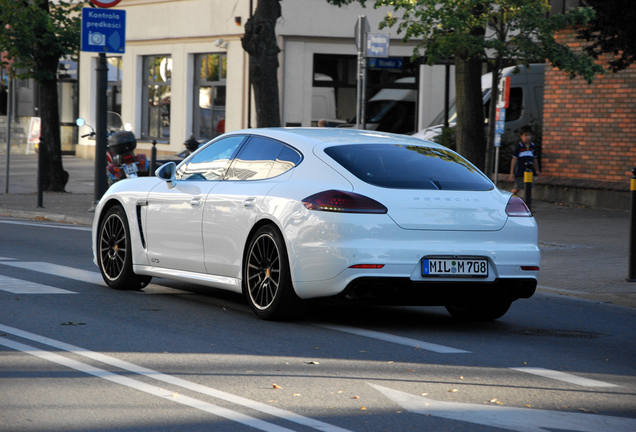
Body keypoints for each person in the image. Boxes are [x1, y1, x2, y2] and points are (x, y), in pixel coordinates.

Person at [509, 125, 541, 195]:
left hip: (529, 172)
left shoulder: (533, 146)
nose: (528, 137)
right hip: (520, 171)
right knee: (517, 188)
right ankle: (508, 199)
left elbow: (534, 159)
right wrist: (512, 173)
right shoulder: (519, 147)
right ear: (521, 136)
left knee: (528, 187)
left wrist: (537, 171)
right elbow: (514, 159)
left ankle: (526, 202)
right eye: (525, 135)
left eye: (529, 135)